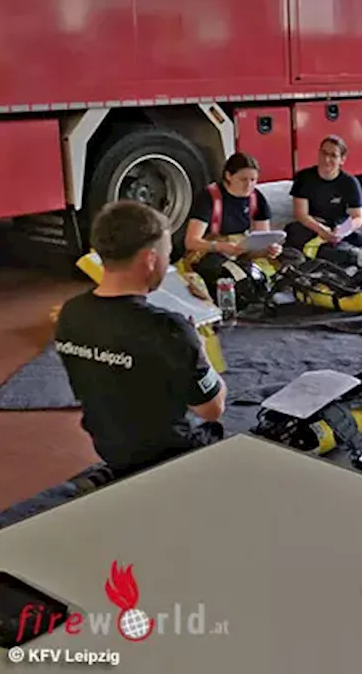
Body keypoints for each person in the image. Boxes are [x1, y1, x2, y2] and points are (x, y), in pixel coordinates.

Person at [55, 201, 227, 478]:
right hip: (169, 455)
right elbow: (212, 408)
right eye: (167, 254)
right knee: (216, 432)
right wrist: (201, 349)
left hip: (109, 447)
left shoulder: (70, 314)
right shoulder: (168, 329)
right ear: (149, 259)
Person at [183, 152, 283, 292]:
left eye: (253, 180)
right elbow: (191, 241)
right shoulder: (209, 197)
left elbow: (262, 235)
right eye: (243, 179)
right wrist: (220, 246)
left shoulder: (256, 197)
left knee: (291, 257)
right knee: (221, 271)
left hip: (242, 246)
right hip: (212, 249)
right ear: (228, 176)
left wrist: (269, 249)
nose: (249, 185)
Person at [285, 136, 362, 267]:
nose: (327, 159)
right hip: (313, 225)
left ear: (342, 160)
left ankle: (336, 252)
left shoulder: (350, 182)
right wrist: (320, 229)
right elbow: (300, 214)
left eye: (333, 155)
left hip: (339, 227)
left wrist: (345, 230)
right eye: (324, 153)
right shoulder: (304, 177)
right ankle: (345, 254)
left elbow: (358, 216)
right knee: (292, 233)